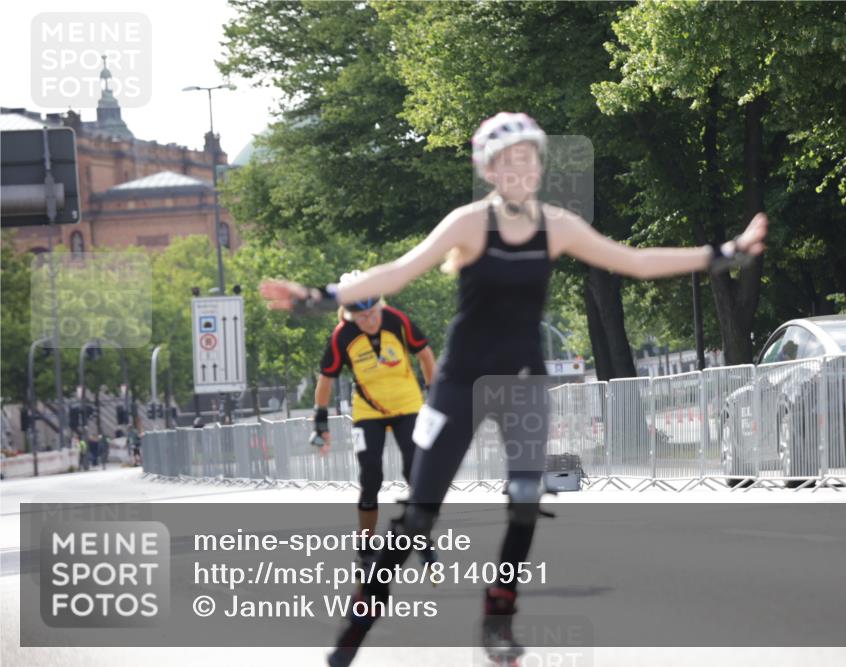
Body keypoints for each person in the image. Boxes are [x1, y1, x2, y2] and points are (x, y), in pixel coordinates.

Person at [260, 111, 768, 667]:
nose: (518, 169)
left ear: (539, 165)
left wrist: (725, 253)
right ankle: (355, 631)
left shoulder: (559, 225)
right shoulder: (469, 224)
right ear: (490, 171)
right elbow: (396, 273)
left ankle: (498, 618)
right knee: (418, 516)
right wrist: (319, 294)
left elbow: (636, 261)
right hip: (461, 380)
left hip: (522, 379)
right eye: (506, 162)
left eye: (527, 158)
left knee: (525, 501)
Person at [311, 270, 438, 568]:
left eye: (372, 313)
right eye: (361, 317)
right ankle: (366, 544)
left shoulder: (397, 320)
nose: (369, 321)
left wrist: (434, 398)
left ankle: (421, 537)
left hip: (408, 405)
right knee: (371, 477)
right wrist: (320, 422)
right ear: (349, 314)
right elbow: (326, 380)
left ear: (379, 304)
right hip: (368, 411)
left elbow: (426, 356)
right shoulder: (342, 335)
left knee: (414, 472)